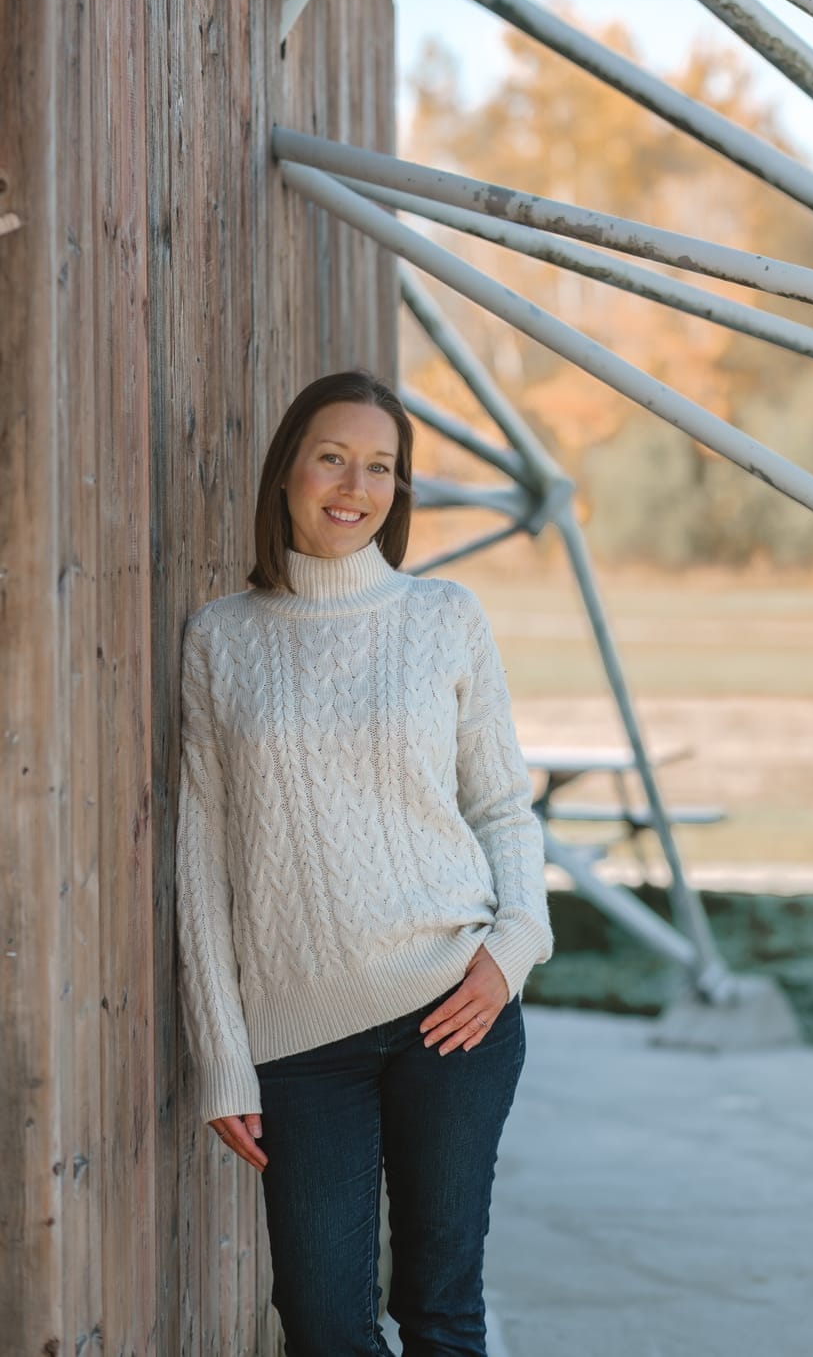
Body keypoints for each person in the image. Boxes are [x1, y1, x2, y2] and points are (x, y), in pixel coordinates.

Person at [174, 367, 554, 1356]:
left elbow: (502, 805)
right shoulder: (222, 636)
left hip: (452, 1011)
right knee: (324, 1320)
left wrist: (512, 945)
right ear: (288, 473)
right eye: (332, 458)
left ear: (400, 488)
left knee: (441, 1311)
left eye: (380, 466)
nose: (355, 486)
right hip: (300, 1043)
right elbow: (202, 861)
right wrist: (222, 1055)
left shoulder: (444, 617)